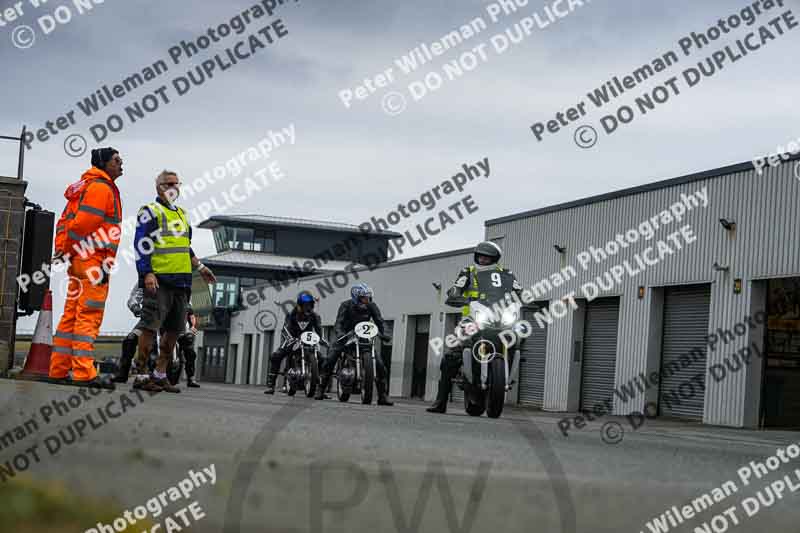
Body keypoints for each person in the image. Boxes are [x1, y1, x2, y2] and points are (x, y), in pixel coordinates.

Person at [131, 170, 216, 393]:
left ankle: (160, 375)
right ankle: (141, 375)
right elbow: (141, 244)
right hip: (159, 281)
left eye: (176, 184)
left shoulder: (182, 214)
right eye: (167, 183)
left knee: (173, 333)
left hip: (182, 282)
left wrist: (200, 267)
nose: (172, 187)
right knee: (149, 329)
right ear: (157, 186)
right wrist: (147, 273)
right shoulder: (150, 211)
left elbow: (184, 247)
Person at [50, 147, 123, 386]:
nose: (121, 162)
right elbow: (81, 226)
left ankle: (58, 370)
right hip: (94, 261)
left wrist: (64, 250)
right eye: (115, 160)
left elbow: (65, 224)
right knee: (88, 316)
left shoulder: (82, 187)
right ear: (103, 164)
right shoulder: (101, 188)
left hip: (80, 261)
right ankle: (84, 373)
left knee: (71, 315)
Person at [426, 241, 522, 414]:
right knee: (451, 356)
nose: (483, 259)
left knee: (517, 337)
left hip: (500, 319)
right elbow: (456, 288)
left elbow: (519, 291)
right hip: (472, 319)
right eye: (481, 256)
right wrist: (456, 296)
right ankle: (440, 402)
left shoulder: (506, 274)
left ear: (495, 259)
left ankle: (504, 375)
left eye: (487, 257)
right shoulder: (468, 272)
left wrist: (526, 300)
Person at [316, 282, 393, 405]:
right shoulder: (345, 305)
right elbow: (338, 322)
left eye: (368, 297)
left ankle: (382, 396)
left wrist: (386, 333)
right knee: (331, 357)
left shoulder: (372, 306)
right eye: (363, 297)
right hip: (346, 336)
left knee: (380, 365)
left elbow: (380, 321)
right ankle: (321, 388)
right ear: (356, 297)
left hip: (364, 337)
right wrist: (340, 333)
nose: (366, 300)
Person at [264, 291, 323, 395]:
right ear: (300, 305)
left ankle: (321, 388)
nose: (308, 308)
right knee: (276, 356)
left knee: (322, 359)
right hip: (292, 339)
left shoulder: (314, 316)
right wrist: (290, 338)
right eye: (305, 305)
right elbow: (285, 329)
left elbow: (318, 329)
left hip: (307, 341)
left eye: (310, 305)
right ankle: (271, 385)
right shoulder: (292, 315)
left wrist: (321, 339)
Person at [177, 303, 200, 388]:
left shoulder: (187, 306)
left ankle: (191, 378)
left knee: (191, 354)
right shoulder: (167, 300)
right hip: (170, 331)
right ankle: (158, 375)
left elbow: (192, 318)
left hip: (184, 333)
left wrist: (192, 328)